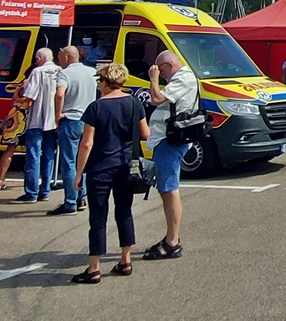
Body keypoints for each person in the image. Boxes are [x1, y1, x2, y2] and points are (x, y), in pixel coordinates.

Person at [73, 63, 148, 283]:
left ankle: (94, 267)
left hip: (100, 167)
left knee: (97, 217)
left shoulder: (96, 108)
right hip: (126, 165)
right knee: (124, 212)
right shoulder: (134, 103)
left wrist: (79, 173)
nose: (98, 85)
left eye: (99, 81)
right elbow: (145, 133)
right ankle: (125, 260)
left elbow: (87, 143)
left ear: (106, 82)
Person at [143, 51, 197, 261]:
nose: (161, 74)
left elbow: (156, 98)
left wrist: (153, 79)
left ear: (169, 64)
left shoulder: (183, 77)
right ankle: (171, 237)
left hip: (170, 141)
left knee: (169, 189)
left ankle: (172, 242)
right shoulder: (183, 78)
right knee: (167, 189)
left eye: (161, 69)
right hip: (165, 140)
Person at [8, 48, 63, 202]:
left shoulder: (37, 72)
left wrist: (17, 101)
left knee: (33, 156)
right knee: (48, 156)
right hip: (53, 122)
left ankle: (31, 192)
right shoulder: (61, 71)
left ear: (39, 58)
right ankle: (45, 190)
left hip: (37, 119)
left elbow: (29, 98)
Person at [49, 46, 97, 216]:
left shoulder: (65, 73)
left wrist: (57, 115)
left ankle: (70, 202)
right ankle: (81, 197)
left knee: (68, 162)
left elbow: (60, 94)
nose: (59, 59)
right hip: (88, 121)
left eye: (60, 56)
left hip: (70, 119)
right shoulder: (92, 72)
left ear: (68, 57)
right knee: (82, 161)